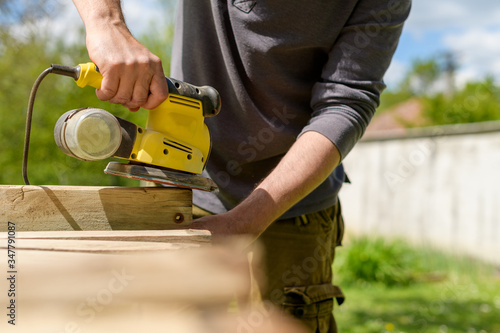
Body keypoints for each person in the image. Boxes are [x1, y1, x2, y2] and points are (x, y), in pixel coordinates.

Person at [72, 1, 411, 332]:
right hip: (178, 191)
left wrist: (245, 220)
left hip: (293, 205)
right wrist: (106, 23)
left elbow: (346, 102)